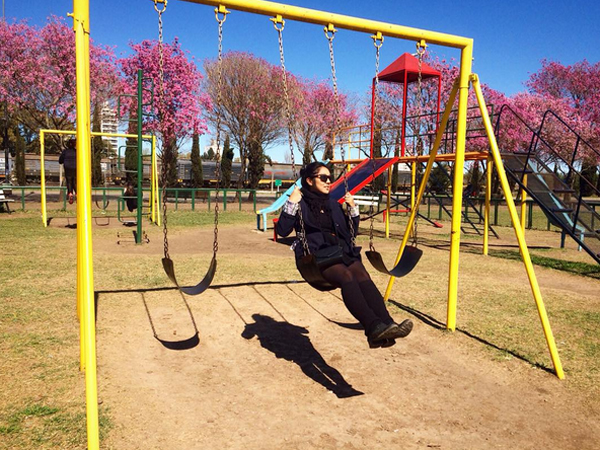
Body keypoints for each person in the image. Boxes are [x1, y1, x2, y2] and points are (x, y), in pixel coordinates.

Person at [276, 162, 414, 349]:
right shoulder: (299, 202)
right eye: (323, 178)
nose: (329, 181)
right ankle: (373, 327)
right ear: (309, 180)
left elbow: (349, 233)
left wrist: (353, 209)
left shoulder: (333, 204)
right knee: (346, 275)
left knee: (362, 274)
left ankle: (388, 324)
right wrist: (291, 202)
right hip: (315, 256)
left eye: (330, 178)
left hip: (338, 251)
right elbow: (282, 230)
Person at [59, 139, 77, 204]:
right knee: (74, 181)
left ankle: (70, 193)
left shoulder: (65, 151)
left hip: (67, 167)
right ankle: (77, 193)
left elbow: (60, 161)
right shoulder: (76, 151)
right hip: (75, 167)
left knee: (69, 181)